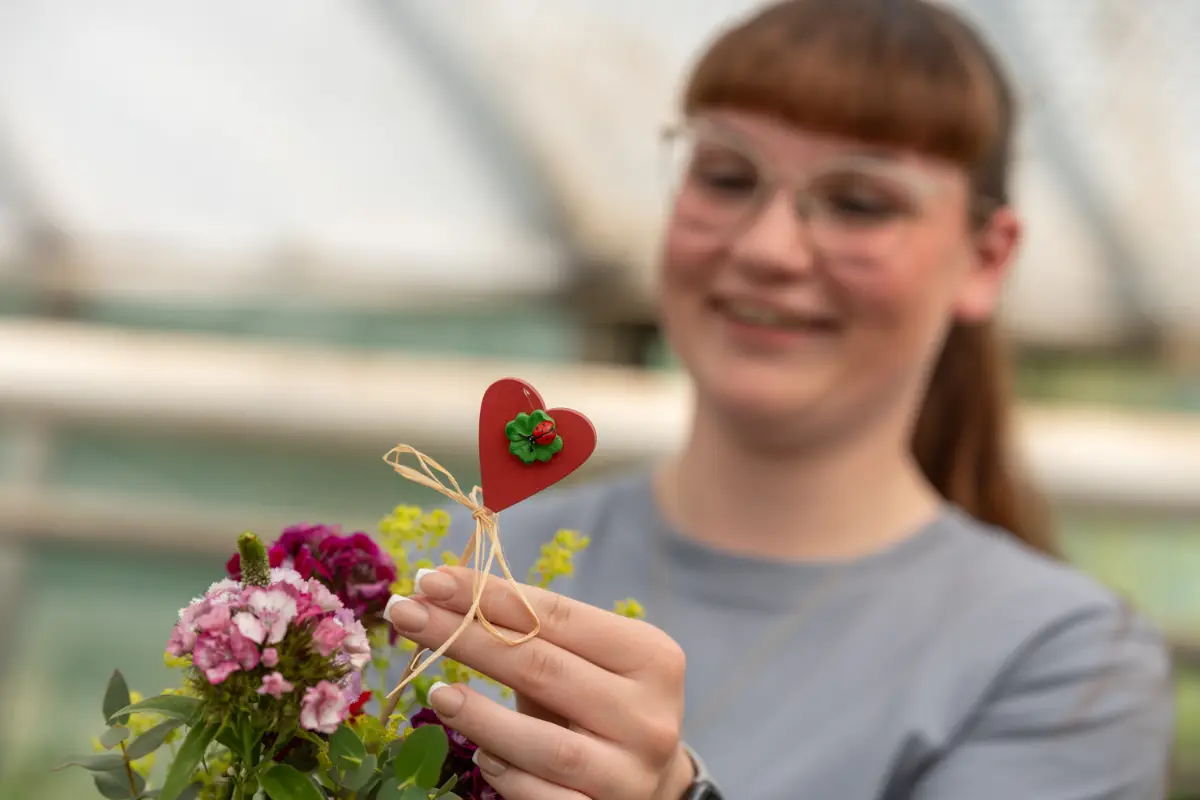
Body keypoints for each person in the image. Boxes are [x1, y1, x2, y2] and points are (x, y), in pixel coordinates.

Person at [385, 0, 1176, 797]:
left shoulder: (1067, 667)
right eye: (727, 177)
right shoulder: (448, 562)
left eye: (861, 203)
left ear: (985, 259)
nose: (768, 248)